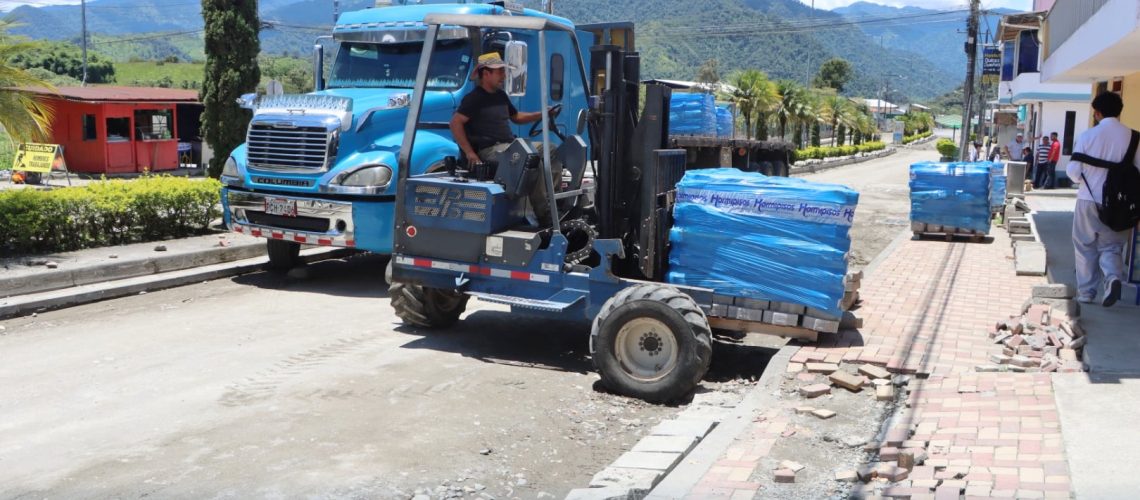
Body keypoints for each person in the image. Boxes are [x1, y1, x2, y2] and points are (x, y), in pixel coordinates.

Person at [450, 52, 561, 224]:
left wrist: (543, 114)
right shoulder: (474, 99)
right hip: (490, 151)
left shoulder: (500, 96)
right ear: (486, 73)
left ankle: (554, 201)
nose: (504, 75)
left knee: (550, 149)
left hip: (509, 146)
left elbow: (516, 117)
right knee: (529, 157)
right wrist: (470, 153)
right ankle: (544, 214)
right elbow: (455, 123)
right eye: (500, 71)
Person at [1066, 92, 1140, 307]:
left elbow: (1073, 170)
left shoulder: (1088, 136)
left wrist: (1087, 178)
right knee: (1111, 246)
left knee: (1085, 245)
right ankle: (1113, 277)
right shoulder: (1134, 138)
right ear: (1120, 111)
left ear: (1097, 113)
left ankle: (1087, 293)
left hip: (1088, 199)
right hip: (1120, 203)